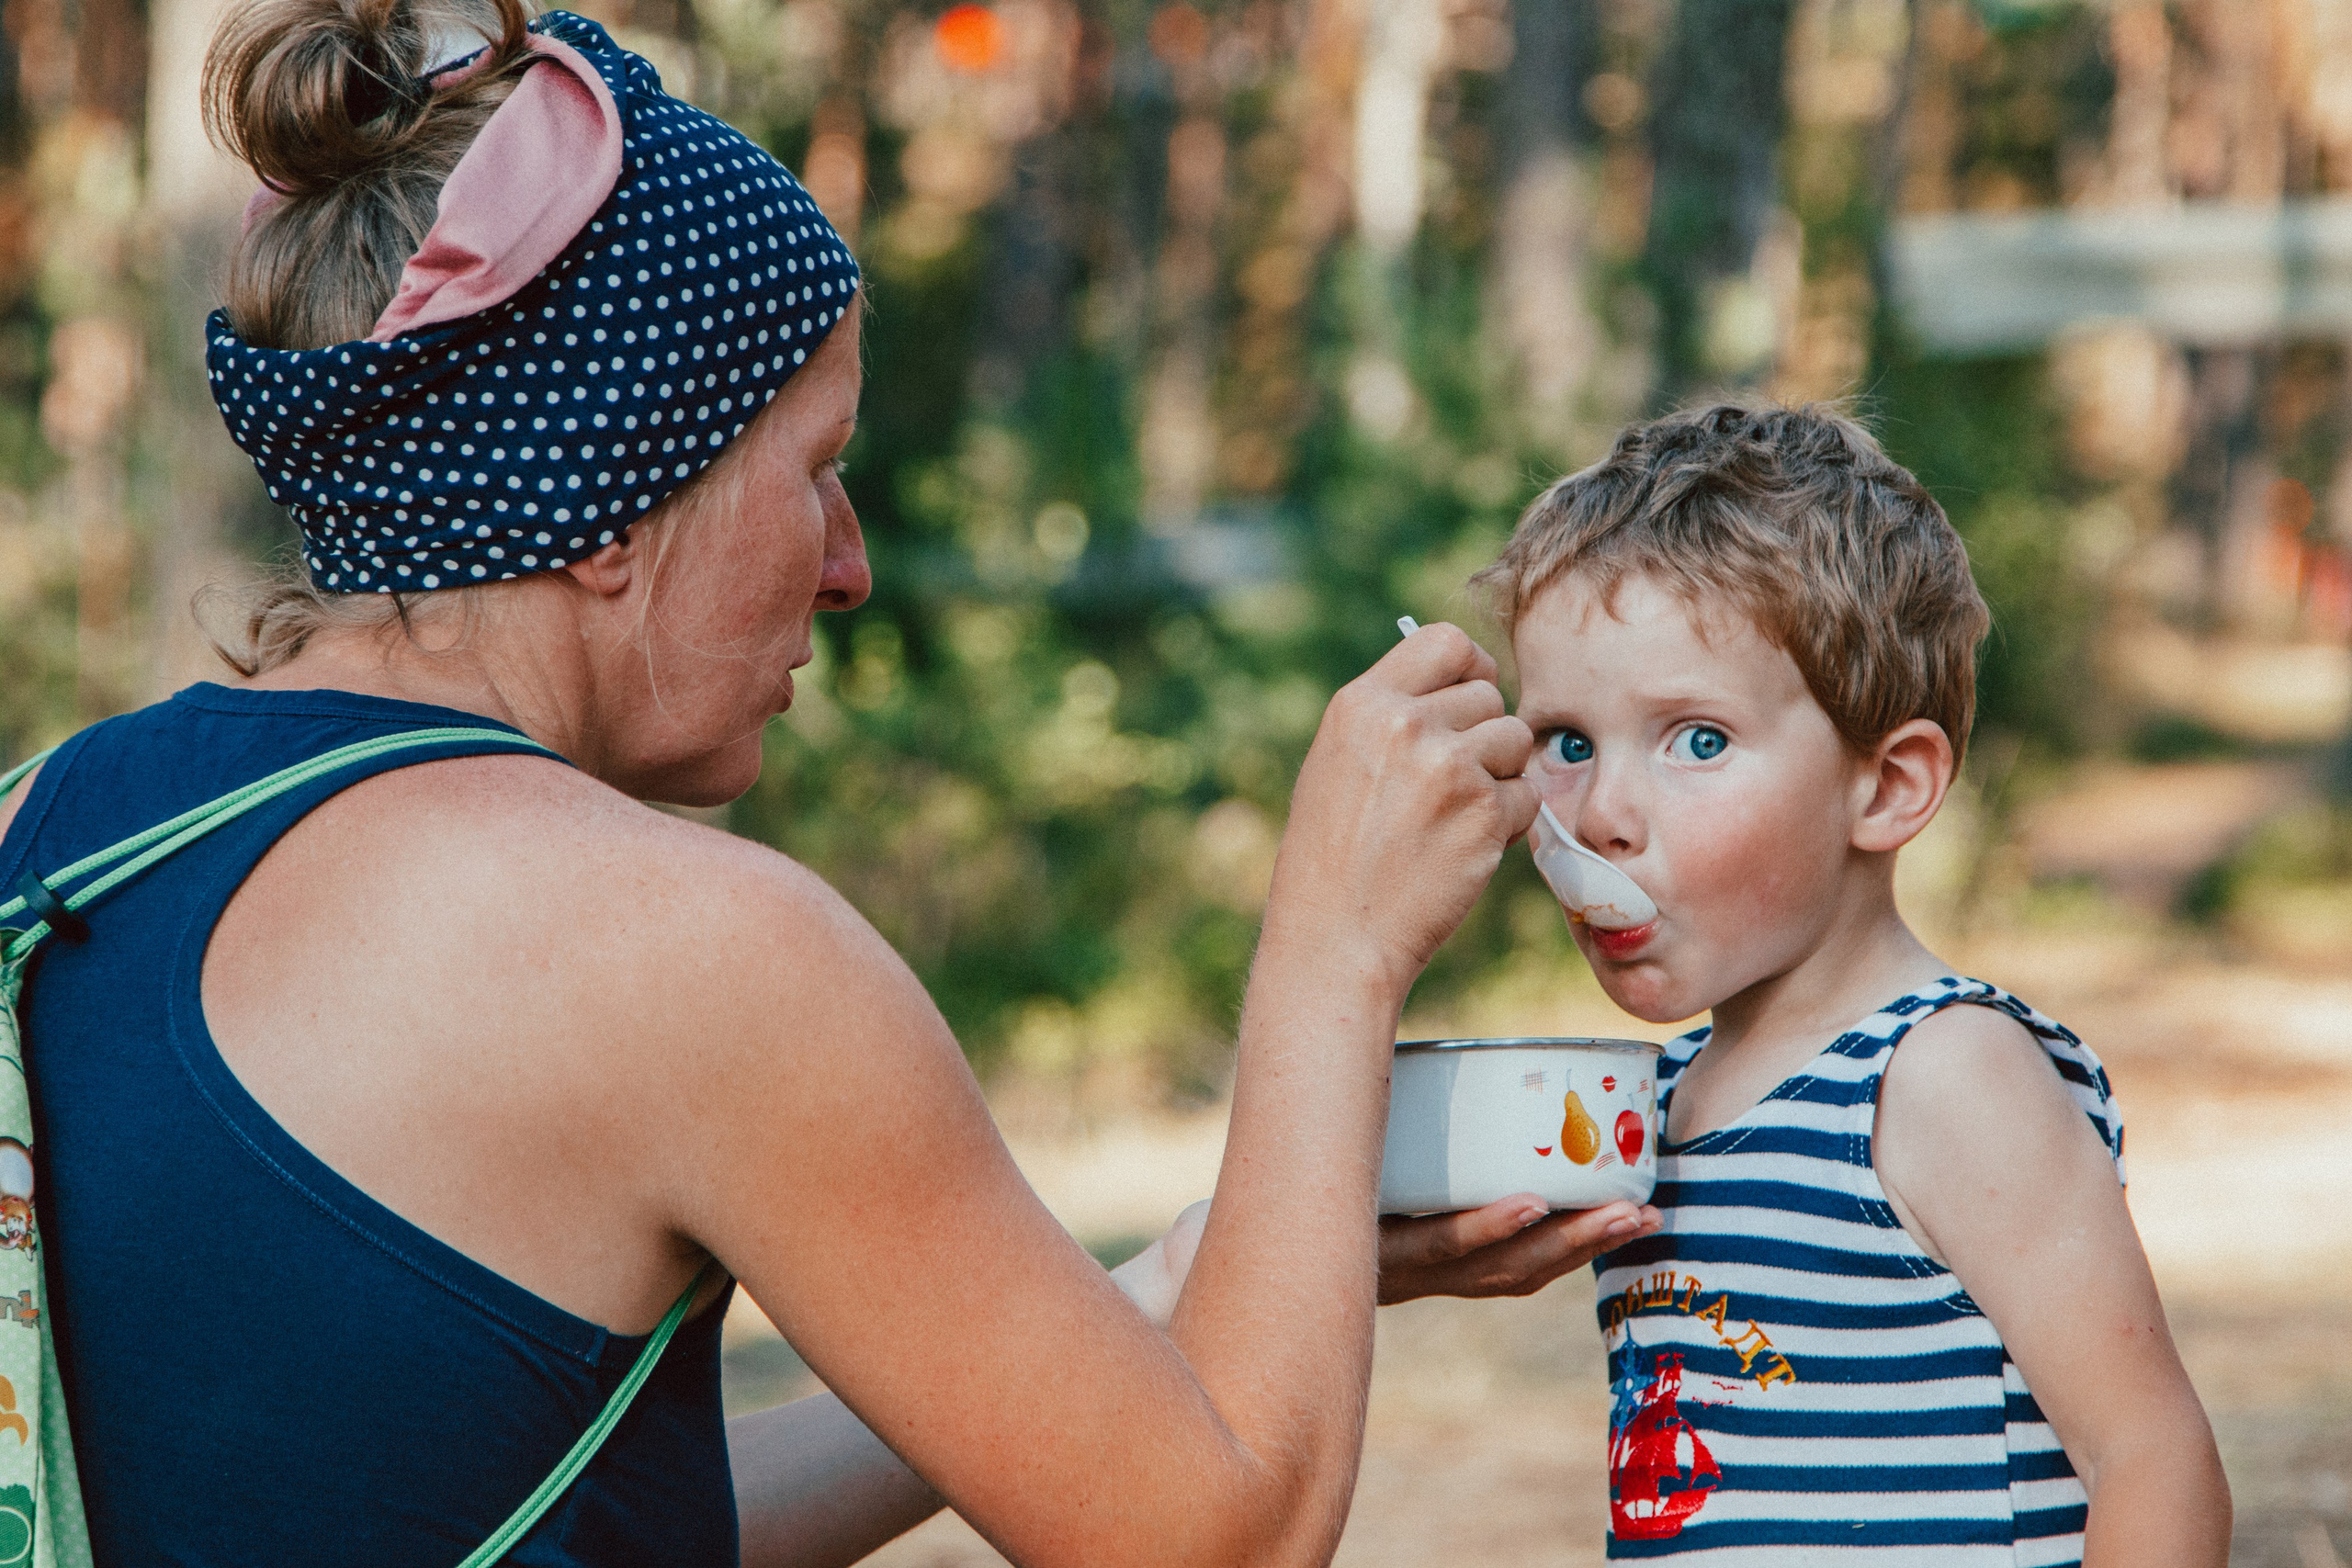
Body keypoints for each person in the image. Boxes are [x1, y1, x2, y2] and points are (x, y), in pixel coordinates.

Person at [0, 3, 1658, 1563]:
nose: (851, 564)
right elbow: (1213, 1534)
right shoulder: (683, 948)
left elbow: (519, 1499)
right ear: (618, 497)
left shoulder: (45, 828)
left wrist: (1160, 1294)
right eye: (815, 467)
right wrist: (1336, 949)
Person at [1468, 403, 2231, 1565]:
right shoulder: (1658, 1101)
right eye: (1566, 743)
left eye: (1696, 739)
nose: (1603, 815)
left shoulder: (1940, 1076)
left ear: (1885, 789)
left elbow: (2152, 1459)